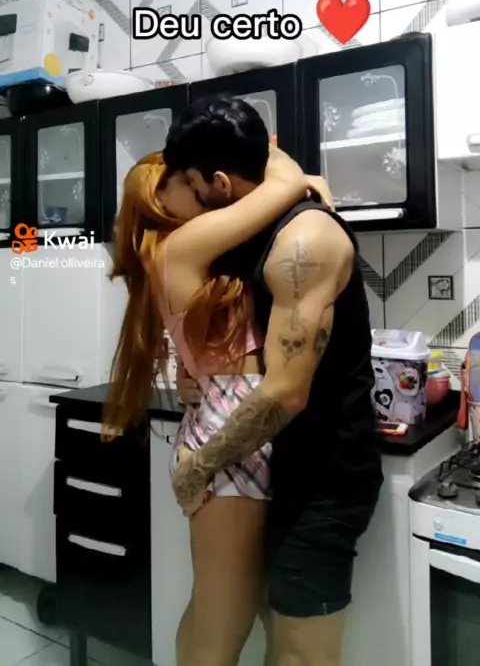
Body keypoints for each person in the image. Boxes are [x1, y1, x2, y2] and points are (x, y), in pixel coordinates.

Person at [164, 96, 384, 666]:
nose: (192, 203)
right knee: (242, 618)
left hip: (322, 477)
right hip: (272, 463)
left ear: (218, 182)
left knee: (298, 653)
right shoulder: (259, 225)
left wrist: (199, 464)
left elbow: (286, 391)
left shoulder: (303, 243)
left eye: (192, 185)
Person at [103, 136, 331, 666]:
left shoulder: (191, 250)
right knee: (223, 622)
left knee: (225, 611)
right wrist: (270, 154)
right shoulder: (181, 245)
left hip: (231, 419)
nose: (201, 186)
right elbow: (285, 182)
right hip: (231, 431)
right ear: (160, 198)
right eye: (186, 180)